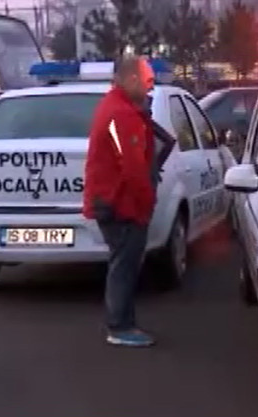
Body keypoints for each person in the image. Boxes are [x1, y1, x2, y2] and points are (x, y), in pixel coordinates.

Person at [83, 54, 158, 347]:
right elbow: (133, 167)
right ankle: (120, 327)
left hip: (113, 200)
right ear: (132, 79)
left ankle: (123, 322)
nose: (151, 88)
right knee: (124, 265)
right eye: (149, 81)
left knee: (123, 263)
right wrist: (146, 201)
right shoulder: (122, 115)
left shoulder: (116, 107)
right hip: (120, 203)